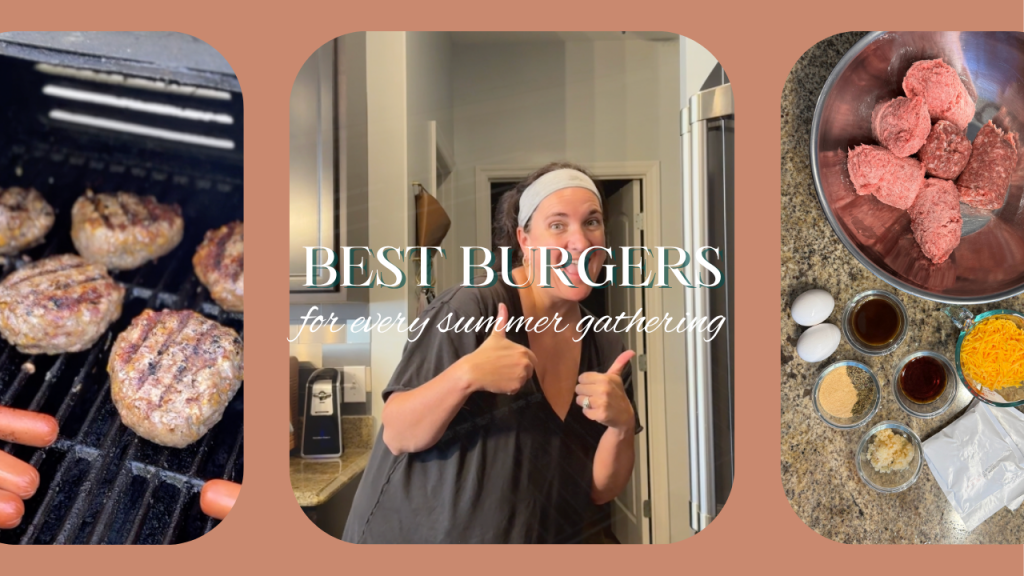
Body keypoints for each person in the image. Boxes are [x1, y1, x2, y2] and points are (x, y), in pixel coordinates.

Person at [341, 162, 641, 544]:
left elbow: (600, 488)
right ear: (525, 240)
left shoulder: (605, 347)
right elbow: (398, 432)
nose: (579, 242)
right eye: (558, 225)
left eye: (592, 222)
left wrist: (622, 425)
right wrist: (467, 375)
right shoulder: (470, 309)